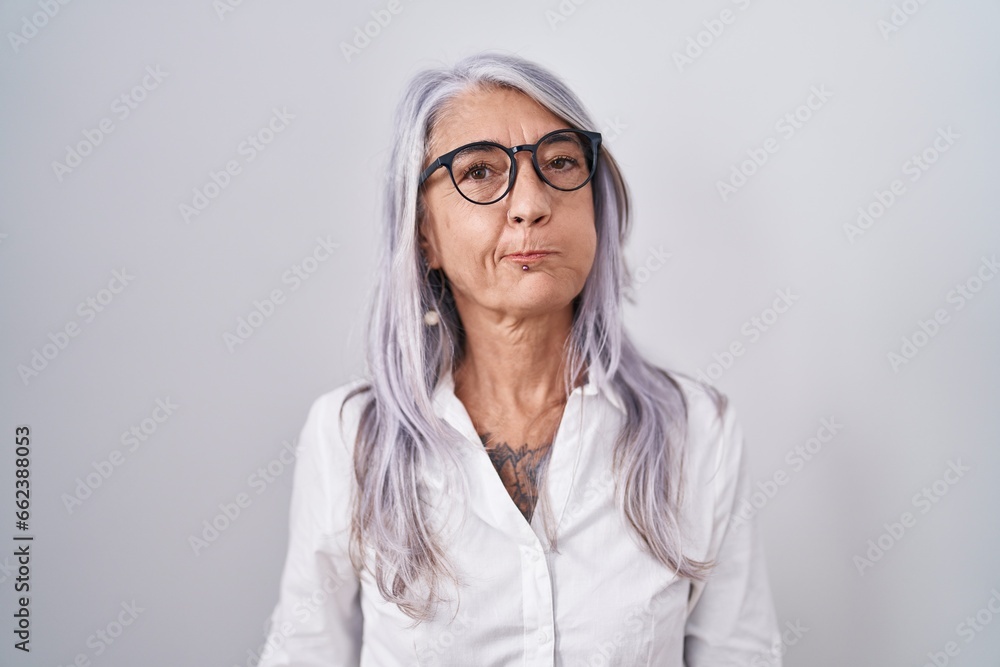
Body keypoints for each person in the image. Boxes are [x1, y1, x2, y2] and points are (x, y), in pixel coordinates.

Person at [257, 52, 782, 666]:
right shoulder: (348, 438)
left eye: (560, 162)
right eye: (479, 171)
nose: (530, 204)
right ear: (422, 231)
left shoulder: (696, 429)